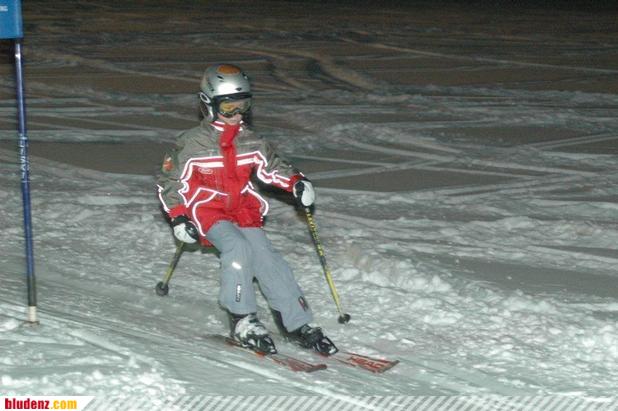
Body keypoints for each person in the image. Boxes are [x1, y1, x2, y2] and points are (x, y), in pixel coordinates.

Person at [157, 64, 337, 356]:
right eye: (228, 107)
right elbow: (171, 181)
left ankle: (297, 322)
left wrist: (296, 182)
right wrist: (178, 216)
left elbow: (272, 167)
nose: (237, 114)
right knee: (237, 248)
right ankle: (242, 319)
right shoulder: (191, 143)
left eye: (243, 106)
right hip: (206, 209)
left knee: (266, 257)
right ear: (209, 105)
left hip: (242, 208)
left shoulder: (251, 141)